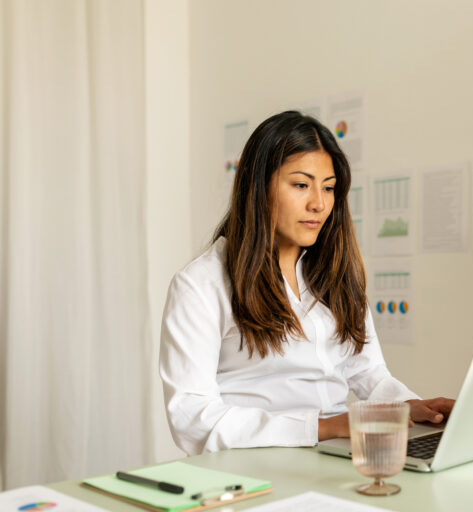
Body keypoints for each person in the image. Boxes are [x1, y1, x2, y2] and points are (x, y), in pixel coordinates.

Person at [159, 111, 454, 455]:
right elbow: (191, 419)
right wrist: (323, 427)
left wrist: (408, 406)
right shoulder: (201, 285)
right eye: (301, 185)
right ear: (258, 187)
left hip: (338, 453)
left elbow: (367, 370)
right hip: (254, 463)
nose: (319, 203)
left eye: (328, 188)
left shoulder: (335, 273)